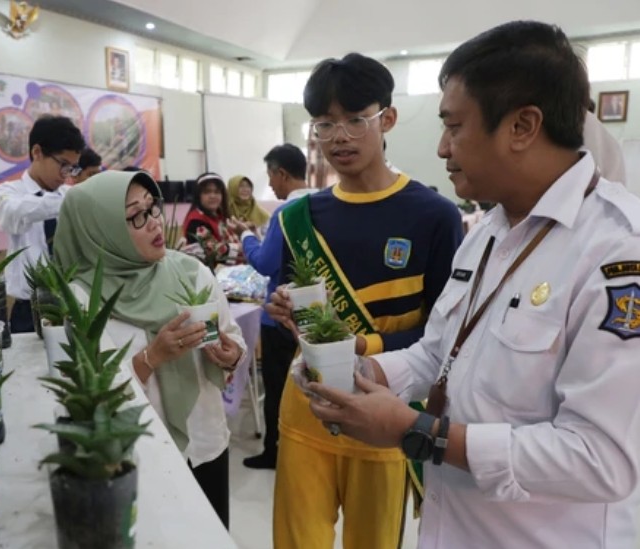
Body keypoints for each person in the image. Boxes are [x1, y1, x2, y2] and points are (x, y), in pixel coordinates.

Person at [304, 21, 640, 549]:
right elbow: (438, 354)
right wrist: (362, 370)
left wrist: (424, 434)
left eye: (454, 127)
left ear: (523, 126)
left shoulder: (616, 251)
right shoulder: (488, 232)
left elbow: (601, 460)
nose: (441, 149)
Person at [265, 54, 464, 549]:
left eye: (356, 119)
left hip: (382, 410)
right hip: (304, 404)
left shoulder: (434, 215)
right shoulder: (301, 216)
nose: (339, 137)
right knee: (296, 539)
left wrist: (363, 344)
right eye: (325, 123)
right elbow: (299, 308)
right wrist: (285, 310)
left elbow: (446, 334)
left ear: (387, 119)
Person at [52, 170, 246, 528]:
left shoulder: (192, 272)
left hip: (205, 440)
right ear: (101, 230)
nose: (155, 223)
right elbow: (88, 393)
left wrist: (231, 354)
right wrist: (150, 358)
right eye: (135, 216)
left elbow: (233, 336)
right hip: (137, 452)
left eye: (152, 207)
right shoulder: (83, 299)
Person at [226, 144, 317, 470]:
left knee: (278, 386)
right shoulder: (323, 204)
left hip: (279, 315)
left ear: (281, 173)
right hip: (312, 312)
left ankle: (274, 451)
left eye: (270, 178)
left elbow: (265, 263)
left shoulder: (285, 213)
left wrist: (247, 236)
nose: (271, 186)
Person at [0, 115, 85, 333]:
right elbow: (12, 215)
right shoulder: (9, 192)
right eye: (63, 164)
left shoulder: (69, 194)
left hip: (71, 302)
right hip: (28, 309)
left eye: (73, 168)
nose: (66, 175)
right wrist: (71, 200)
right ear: (37, 152)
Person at [182, 173, 242, 267]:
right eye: (207, 192)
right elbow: (215, 252)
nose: (212, 196)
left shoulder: (220, 215)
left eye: (217, 192)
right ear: (199, 196)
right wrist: (243, 248)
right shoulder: (196, 221)